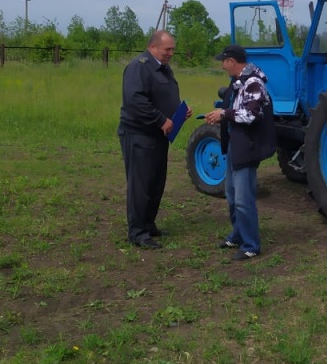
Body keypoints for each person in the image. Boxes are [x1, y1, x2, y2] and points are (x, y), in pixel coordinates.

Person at [117, 30, 191, 249]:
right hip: (139, 134)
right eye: (167, 49)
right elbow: (135, 100)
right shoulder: (139, 67)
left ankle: (148, 224)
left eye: (173, 49)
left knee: (156, 182)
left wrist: (178, 113)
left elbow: (162, 95)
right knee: (141, 184)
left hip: (159, 135)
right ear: (153, 47)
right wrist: (160, 119)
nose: (171, 53)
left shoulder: (163, 68)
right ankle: (137, 232)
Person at [204, 44, 276, 261]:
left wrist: (224, 114)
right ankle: (238, 234)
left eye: (223, 62)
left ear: (232, 61)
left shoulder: (253, 82)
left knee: (244, 199)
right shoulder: (238, 82)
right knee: (232, 194)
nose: (222, 66)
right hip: (236, 145)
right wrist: (222, 112)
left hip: (247, 147)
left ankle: (251, 245)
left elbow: (252, 114)